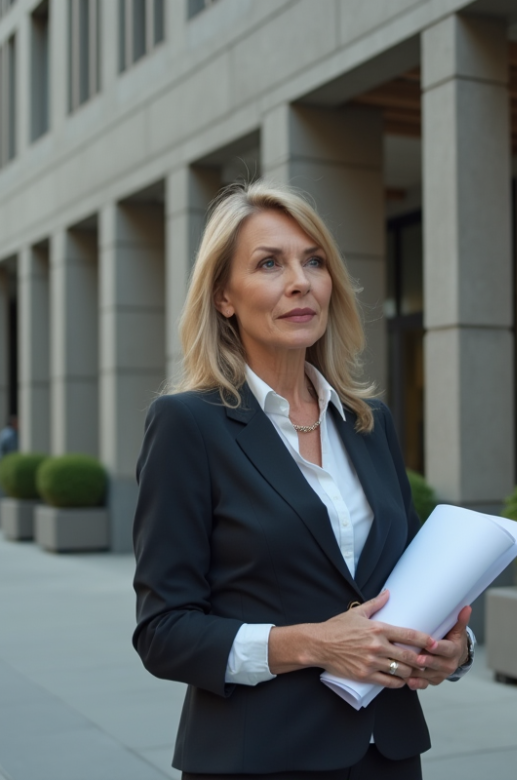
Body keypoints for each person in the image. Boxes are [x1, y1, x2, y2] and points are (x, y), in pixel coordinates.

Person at [132, 182, 476, 779]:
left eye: (313, 261)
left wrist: (454, 651)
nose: (301, 281)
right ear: (223, 298)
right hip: (262, 759)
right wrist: (312, 644)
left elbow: (409, 584)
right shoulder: (188, 424)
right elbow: (164, 633)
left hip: (388, 754)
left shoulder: (371, 423)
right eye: (270, 263)